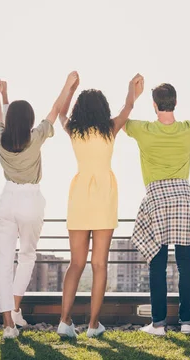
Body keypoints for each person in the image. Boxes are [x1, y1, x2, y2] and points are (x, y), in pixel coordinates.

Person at [57, 73, 144, 339]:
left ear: (80, 109)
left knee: (76, 264)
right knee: (99, 265)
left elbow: (60, 111)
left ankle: (64, 321)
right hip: (104, 198)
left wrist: (70, 88)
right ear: (102, 109)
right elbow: (127, 109)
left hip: (80, 197)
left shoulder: (73, 129)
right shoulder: (109, 129)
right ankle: (93, 325)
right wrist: (132, 90)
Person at [0, 73, 78, 339]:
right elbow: (54, 110)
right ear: (29, 121)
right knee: (27, 256)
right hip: (31, 200)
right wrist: (67, 85)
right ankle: (16, 307)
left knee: (2, 265)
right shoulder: (36, 137)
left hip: (6, 200)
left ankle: (8, 324)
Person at [125, 78, 190, 336]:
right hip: (183, 198)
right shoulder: (188, 129)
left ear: (154, 105)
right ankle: (186, 322)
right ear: (175, 103)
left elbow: (119, 121)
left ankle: (158, 323)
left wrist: (132, 94)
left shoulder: (143, 130)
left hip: (156, 198)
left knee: (157, 263)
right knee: (185, 264)